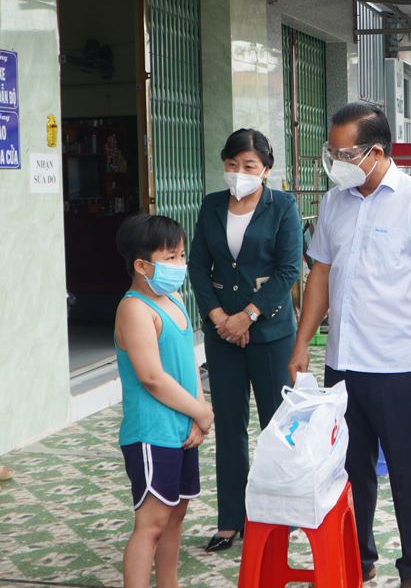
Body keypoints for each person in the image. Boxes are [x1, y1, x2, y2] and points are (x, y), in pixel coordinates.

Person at [288, 102, 411, 588]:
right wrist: (303, 345)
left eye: (345, 153)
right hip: (343, 364)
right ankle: (357, 558)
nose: (335, 161)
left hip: (400, 366)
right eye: (331, 152)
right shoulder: (336, 201)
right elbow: (319, 273)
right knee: (349, 472)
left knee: (408, 475)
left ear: (376, 152)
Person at [188, 128, 302, 551]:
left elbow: (290, 269)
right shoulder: (212, 205)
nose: (239, 173)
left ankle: (281, 513)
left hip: (270, 333)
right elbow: (198, 266)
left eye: (248, 166)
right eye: (232, 165)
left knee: (277, 425)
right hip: (222, 334)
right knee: (230, 425)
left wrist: (248, 316)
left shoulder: (283, 206)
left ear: (266, 170)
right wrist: (219, 317)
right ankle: (230, 519)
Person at [113, 214, 215, 588]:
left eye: (181, 255)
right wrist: (201, 412)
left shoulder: (172, 299)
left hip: (183, 428)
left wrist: (198, 416)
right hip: (152, 432)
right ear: (142, 265)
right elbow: (152, 378)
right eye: (170, 257)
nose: (180, 265)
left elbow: (189, 362)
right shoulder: (134, 309)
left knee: (175, 516)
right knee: (151, 524)